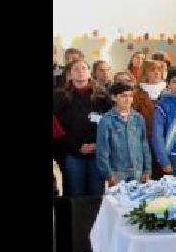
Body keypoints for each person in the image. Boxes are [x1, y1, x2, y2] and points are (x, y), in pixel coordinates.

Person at [53, 59, 111, 196]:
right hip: (72, 154)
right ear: (69, 75)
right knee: (75, 194)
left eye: (83, 68)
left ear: (89, 73)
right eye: (76, 69)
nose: (80, 72)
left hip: (98, 153)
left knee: (97, 194)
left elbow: (110, 124)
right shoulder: (59, 97)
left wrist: (97, 145)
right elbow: (58, 129)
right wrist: (77, 146)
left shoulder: (102, 97)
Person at [95, 82, 152, 186]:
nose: (128, 99)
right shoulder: (106, 120)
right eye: (123, 96)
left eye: (130, 96)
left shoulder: (138, 118)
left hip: (137, 170)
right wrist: (108, 173)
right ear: (114, 97)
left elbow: (144, 145)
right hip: (117, 171)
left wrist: (147, 169)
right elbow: (103, 149)